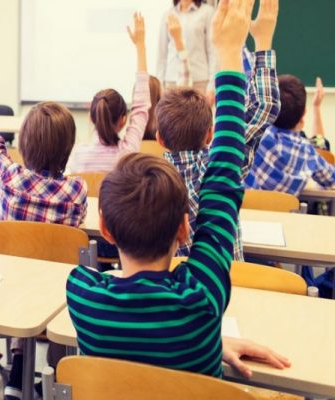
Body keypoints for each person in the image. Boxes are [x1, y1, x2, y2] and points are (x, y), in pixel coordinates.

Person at [67, 0, 290, 379]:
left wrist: (211, 341)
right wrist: (230, 53)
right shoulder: (203, 302)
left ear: (104, 228)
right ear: (186, 228)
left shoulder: (83, 296)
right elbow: (220, 182)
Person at [158, 0, 280, 260]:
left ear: (158, 138)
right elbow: (265, 107)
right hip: (226, 291)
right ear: (211, 134)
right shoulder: (225, 165)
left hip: (173, 295)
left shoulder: (147, 182)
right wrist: (262, 42)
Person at [68, 12, 151, 174]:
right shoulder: (127, 155)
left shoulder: (77, 155)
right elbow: (141, 107)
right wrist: (140, 46)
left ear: (91, 118)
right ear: (123, 120)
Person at [157, 0, 217, 94]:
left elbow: (213, 52)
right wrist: (159, 84)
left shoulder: (207, 12)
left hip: (199, 81)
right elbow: (161, 54)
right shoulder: (168, 14)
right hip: (172, 81)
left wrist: (212, 85)